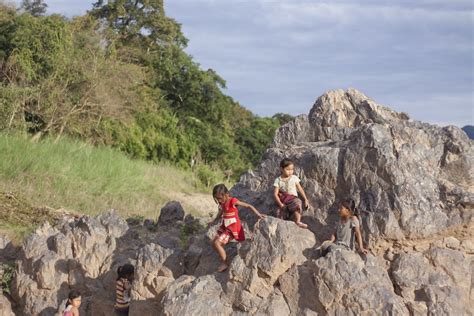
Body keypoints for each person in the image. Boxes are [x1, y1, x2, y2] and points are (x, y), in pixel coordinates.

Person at [209, 184, 265, 272]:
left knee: (217, 243)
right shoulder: (222, 203)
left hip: (232, 228)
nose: (219, 201)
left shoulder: (232, 201)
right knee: (213, 243)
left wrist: (258, 214)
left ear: (227, 194)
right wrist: (214, 221)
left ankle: (225, 263)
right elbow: (221, 212)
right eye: (217, 199)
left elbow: (248, 206)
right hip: (226, 226)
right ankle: (223, 254)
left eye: (220, 198)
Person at [273, 158, 310, 228]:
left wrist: (305, 199)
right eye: (288, 169)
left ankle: (298, 221)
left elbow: (300, 189)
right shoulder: (278, 180)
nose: (290, 172)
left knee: (298, 203)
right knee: (279, 212)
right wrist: (280, 204)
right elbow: (275, 194)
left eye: (292, 169)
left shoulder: (294, 178)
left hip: (293, 199)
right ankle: (283, 224)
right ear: (281, 169)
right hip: (283, 201)